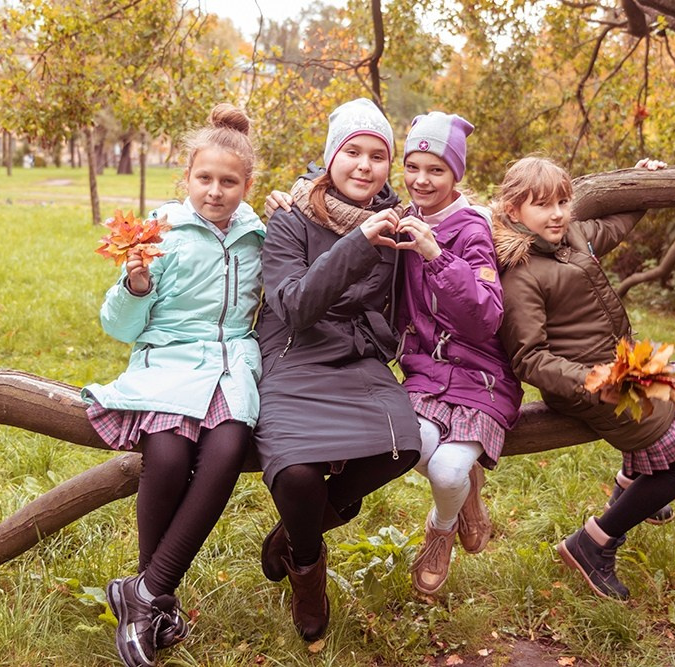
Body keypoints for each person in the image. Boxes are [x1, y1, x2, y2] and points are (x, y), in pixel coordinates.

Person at [81, 103, 265, 666]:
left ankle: (144, 592)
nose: (215, 191)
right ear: (185, 178)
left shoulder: (260, 236)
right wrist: (136, 286)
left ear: (247, 184)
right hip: (169, 363)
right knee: (166, 455)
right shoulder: (158, 234)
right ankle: (157, 599)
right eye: (204, 178)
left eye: (228, 181)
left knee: (228, 448)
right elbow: (117, 327)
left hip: (232, 365)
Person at [493, 156, 675, 601]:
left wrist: (642, 184)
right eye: (542, 205)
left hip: (620, 367)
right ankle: (594, 542)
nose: (557, 213)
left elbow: (615, 225)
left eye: (563, 202)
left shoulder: (572, 236)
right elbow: (528, 358)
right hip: (590, 388)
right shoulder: (521, 275)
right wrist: (595, 379)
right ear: (513, 211)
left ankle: (633, 485)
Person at [254, 98, 422, 641]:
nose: (364, 165)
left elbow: (469, 220)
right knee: (298, 471)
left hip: (359, 357)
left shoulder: (402, 224)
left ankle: (297, 528)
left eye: (378, 155)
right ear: (330, 158)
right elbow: (297, 305)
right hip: (294, 353)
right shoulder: (290, 217)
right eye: (353, 152)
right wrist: (356, 243)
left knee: (405, 445)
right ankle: (308, 569)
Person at [393, 112, 522, 594]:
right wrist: (297, 191)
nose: (422, 180)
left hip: (481, 379)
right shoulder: (404, 216)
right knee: (413, 449)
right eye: (413, 167)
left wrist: (436, 256)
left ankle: (441, 529)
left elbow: (485, 318)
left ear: (455, 176)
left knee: (448, 470)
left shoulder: (471, 229)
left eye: (436, 170)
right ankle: (464, 496)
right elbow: (340, 194)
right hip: (425, 375)